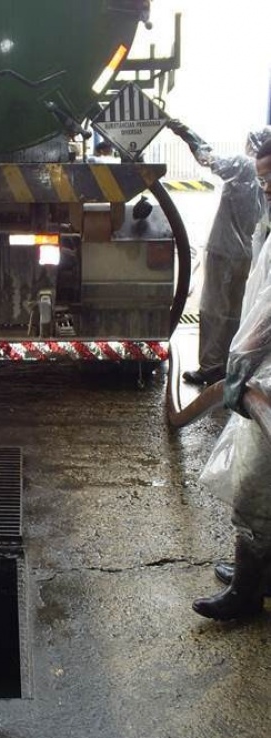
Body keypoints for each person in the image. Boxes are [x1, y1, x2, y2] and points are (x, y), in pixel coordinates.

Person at [192, 136, 271, 620]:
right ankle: (260, 574)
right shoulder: (267, 227)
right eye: (264, 179)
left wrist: (242, 363)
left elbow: (267, 313)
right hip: (264, 375)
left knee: (254, 485)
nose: (266, 187)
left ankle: (247, 593)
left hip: (267, 378)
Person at [167, 120, 271, 385]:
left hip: (223, 249)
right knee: (236, 309)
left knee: (213, 308)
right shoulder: (262, 175)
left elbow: (206, 156)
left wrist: (182, 130)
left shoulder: (245, 165)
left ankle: (210, 367)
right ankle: (228, 363)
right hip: (246, 251)